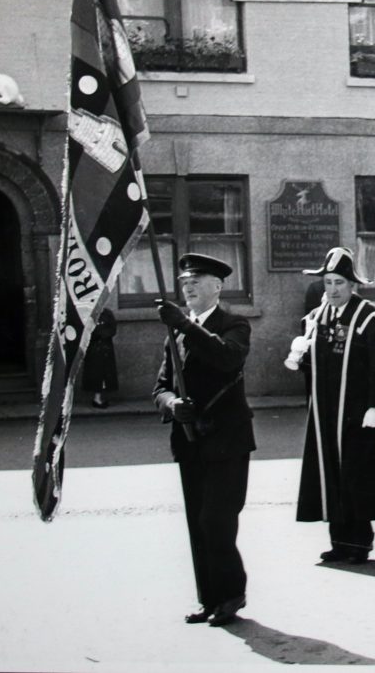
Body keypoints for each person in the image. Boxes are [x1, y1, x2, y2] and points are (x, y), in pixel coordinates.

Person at [154, 253, 254, 627]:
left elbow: (228, 359)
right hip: (190, 440)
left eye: (198, 280)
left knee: (217, 520)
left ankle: (231, 594)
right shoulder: (176, 332)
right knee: (198, 522)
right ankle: (208, 598)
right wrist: (172, 404)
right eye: (184, 282)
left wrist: (184, 324)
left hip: (227, 440)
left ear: (218, 286)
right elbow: (159, 386)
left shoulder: (235, 323)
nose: (189, 287)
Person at [291, 247, 375, 563]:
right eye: (328, 283)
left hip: (357, 414)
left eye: (339, 283)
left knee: (355, 477)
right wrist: (301, 356)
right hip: (325, 413)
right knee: (330, 476)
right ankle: (339, 540)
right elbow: (319, 364)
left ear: (352, 285)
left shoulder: (369, 317)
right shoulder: (318, 317)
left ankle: (359, 543)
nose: (333, 289)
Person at [83, 306, 118, 408]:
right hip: (94, 349)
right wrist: (97, 333)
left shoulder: (108, 313)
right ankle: (96, 398)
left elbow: (113, 328)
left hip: (106, 348)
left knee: (105, 374)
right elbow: (87, 330)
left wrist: (103, 333)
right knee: (96, 374)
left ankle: (100, 397)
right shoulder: (89, 314)